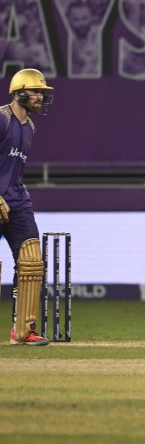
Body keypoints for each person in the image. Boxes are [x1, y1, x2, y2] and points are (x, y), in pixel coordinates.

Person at [0, 68, 54, 346]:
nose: (40, 97)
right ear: (18, 92)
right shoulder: (1, 118)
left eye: (42, 92)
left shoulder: (30, 127)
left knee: (32, 262)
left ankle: (23, 330)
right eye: (35, 91)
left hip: (17, 201)